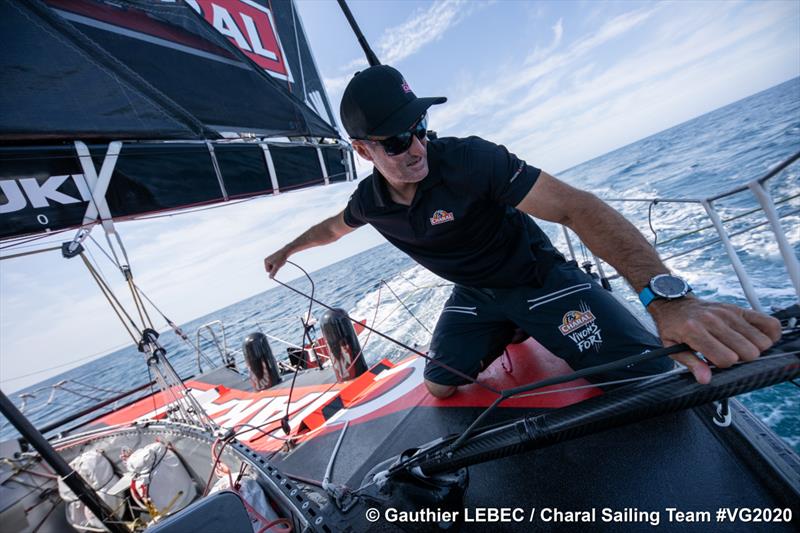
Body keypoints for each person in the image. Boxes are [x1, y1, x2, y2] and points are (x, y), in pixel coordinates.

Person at [264, 65, 781, 399]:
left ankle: (549, 313)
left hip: (537, 276)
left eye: (420, 126)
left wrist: (667, 299)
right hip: (476, 293)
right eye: (398, 139)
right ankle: (510, 325)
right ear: (364, 151)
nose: (417, 145)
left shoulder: (472, 160)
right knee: (440, 386)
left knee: (646, 380)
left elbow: (577, 208)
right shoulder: (370, 203)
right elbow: (332, 229)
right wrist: (286, 250)